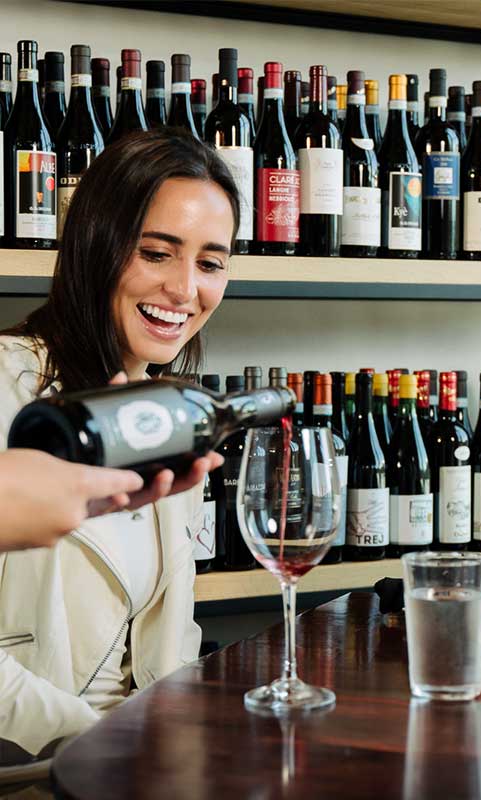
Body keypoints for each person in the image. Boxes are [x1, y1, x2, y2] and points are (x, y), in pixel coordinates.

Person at [0, 128, 239, 750]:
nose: (186, 290)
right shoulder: (5, 387)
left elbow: (174, 640)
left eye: (210, 263)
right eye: (156, 254)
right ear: (95, 248)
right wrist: (102, 748)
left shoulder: (170, 413)